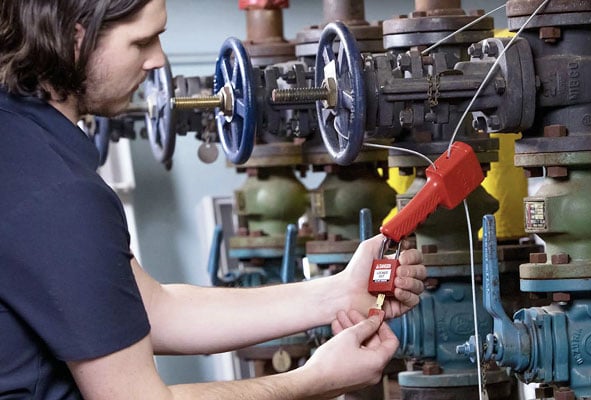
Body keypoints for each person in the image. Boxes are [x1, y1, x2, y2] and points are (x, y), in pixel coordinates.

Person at [0, 0, 427, 399]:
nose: (158, 61)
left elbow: (153, 308)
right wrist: (315, 379)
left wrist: (337, 293)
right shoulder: (61, 194)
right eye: (142, 41)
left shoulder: (20, 145)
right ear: (77, 39)